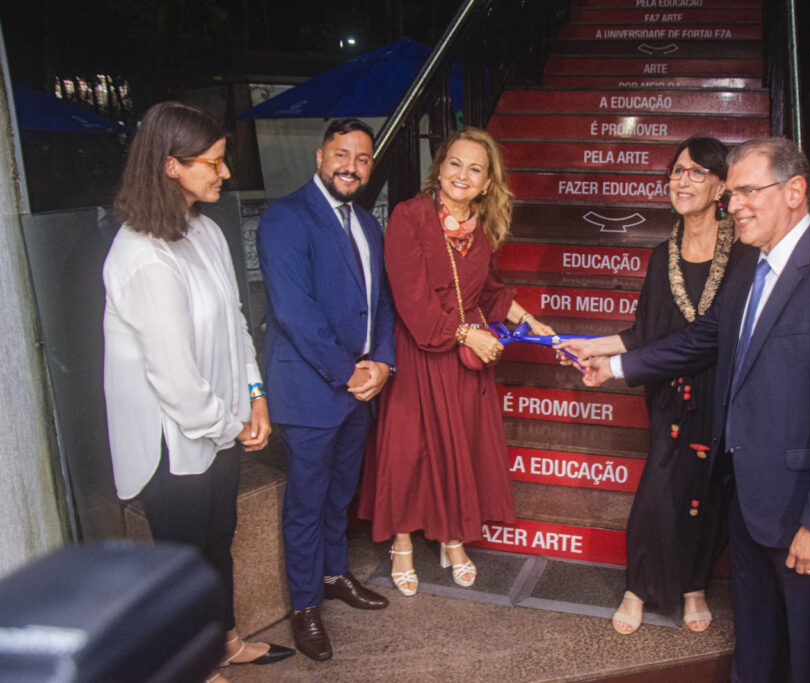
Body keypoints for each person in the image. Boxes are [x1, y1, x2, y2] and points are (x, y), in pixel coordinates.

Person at [559, 137, 810, 682]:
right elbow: (698, 340)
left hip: (808, 515)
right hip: (747, 501)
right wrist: (613, 364)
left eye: (746, 192)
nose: (733, 204)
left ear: (794, 192)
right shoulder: (746, 270)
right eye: (731, 193)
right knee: (755, 644)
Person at [102, 101, 294, 682]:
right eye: (212, 163)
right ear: (169, 166)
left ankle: (225, 642)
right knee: (182, 561)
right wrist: (234, 423)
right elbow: (176, 381)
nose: (225, 173)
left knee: (219, 540)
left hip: (222, 426)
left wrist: (256, 395)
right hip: (171, 442)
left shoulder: (204, 231)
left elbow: (236, 322)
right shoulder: (142, 257)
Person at [561, 137, 754, 634]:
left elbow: (714, 337)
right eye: (676, 172)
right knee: (660, 490)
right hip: (669, 390)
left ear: (719, 186)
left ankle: (693, 586)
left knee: (707, 494)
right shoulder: (660, 254)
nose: (682, 181)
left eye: (695, 172)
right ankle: (638, 586)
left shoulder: (744, 256)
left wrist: (622, 362)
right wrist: (593, 347)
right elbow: (642, 335)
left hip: (722, 391)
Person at [358, 127, 553, 595]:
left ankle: (451, 537)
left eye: (474, 168)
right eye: (454, 164)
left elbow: (490, 291)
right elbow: (411, 299)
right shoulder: (409, 217)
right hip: (420, 349)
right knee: (409, 451)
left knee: (455, 447)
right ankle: (402, 542)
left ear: (487, 183)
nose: (461, 174)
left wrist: (531, 323)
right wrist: (469, 333)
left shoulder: (482, 229)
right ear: (439, 169)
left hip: (463, 359)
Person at [257, 118, 395, 662]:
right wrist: (350, 372)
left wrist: (382, 361)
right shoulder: (285, 218)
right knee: (306, 504)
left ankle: (336, 575)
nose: (351, 167)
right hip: (312, 388)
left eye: (362, 159)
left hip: (359, 387)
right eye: (342, 155)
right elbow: (294, 312)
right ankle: (305, 606)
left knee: (341, 494)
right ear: (320, 157)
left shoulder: (368, 223)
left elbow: (381, 303)